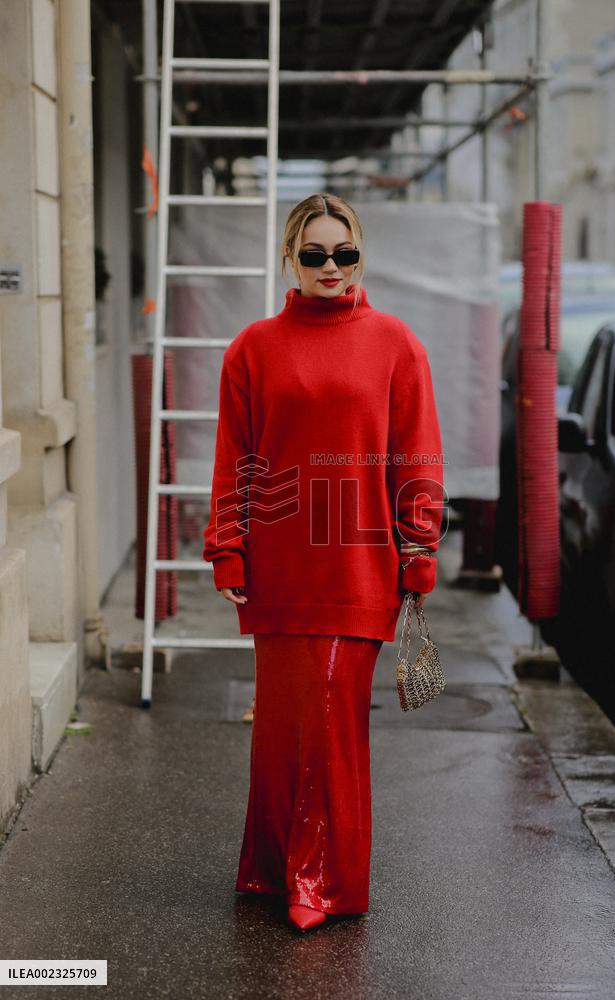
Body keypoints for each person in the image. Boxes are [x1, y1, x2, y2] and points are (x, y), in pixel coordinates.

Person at [202, 192, 444, 933]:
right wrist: (228, 547)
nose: (331, 268)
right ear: (289, 259)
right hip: (278, 571)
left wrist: (420, 546)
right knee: (279, 730)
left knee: (334, 724)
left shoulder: (397, 343)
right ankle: (271, 871)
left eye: (345, 254)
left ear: (361, 257)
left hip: (359, 570)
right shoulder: (251, 349)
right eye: (314, 254)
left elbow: (418, 451)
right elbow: (234, 460)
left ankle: (324, 883)